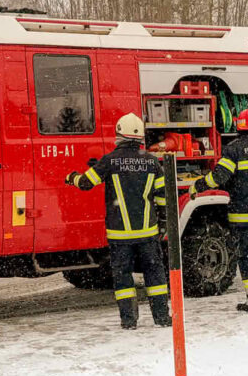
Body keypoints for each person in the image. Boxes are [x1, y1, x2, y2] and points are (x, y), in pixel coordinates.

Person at [66, 113, 171, 329]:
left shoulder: (110, 161)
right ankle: (161, 317)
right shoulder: (152, 162)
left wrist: (72, 177)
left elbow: (86, 183)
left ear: (118, 134)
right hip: (148, 234)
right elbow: (163, 198)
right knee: (155, 275)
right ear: (140, 136)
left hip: (120, 235)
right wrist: (162, 223)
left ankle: (129, 321)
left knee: (123, 278)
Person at [188, 107, 248, 313]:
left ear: (239, 125)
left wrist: (199, 185)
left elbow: (218, 177)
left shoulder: (234, 150)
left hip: (242, 216)